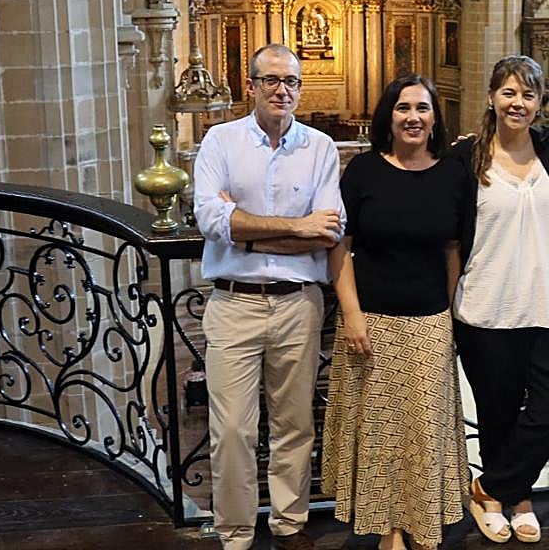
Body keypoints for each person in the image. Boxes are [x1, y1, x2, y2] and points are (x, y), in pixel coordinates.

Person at [193, 43, 345, 550]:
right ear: (251, 85)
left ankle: (288, 522)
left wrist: (249, 230)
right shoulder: (220, 141)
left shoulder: (320, 147)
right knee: (233, 427)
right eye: (271, 80)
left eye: (292, 82)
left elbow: (328, 231)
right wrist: (294, 228)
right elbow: (211, 220)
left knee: (295, 422)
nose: (282, 90)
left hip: (300, 302)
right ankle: (235, 532)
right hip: (234, 302)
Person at [322, 74, 471, 550]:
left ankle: (422, 524)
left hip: (429, 321)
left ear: (434, 118)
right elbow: (340, 248)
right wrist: (352, 315)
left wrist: (448, 314)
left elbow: (454, 251)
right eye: (403, 107)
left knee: (422, 433)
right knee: (380, 434)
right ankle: (388, 530)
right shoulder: (364, 171)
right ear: (388, 116)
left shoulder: (452, 174)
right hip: (372, 321)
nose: (413, 117)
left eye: (422, 108)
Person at [451, 55, 549, 545]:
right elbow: (450, 236)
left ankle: (488, 488)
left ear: (540, 102)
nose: (518, 102)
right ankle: (520, 498)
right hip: (487, 305)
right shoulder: (466, 158)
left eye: (528, 94)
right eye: (509, 92)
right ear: (491, 96)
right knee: (498, 414)